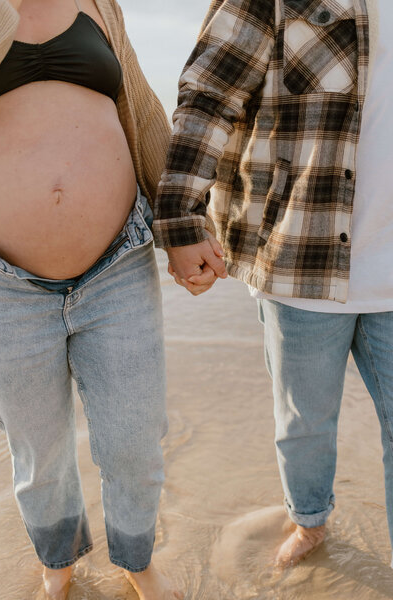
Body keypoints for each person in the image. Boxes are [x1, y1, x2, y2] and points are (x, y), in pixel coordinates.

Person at [154, 0, 390, 569]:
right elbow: (211, 93)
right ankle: (309, 520)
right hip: (299, 260)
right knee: (304, 423)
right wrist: (181, 217)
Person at [0, 0, 183, 598]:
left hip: (118, 262)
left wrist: (183, 229)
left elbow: (143, 113)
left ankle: (136, 558)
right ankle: (58, 561)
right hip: (5, 282)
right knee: (38, 448)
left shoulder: (100, 4)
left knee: (134, 438)